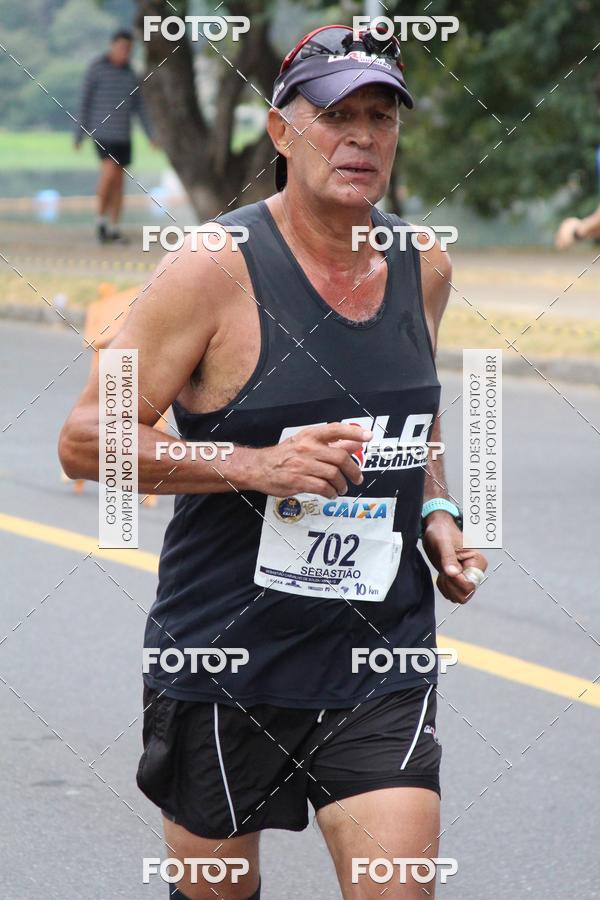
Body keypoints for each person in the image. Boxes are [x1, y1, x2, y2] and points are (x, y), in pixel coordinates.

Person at [59, 24, 487, 900]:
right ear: (282, 132)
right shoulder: (210, 269)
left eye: (381, 116)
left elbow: (417, 409)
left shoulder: (422, 263)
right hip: (224, 656)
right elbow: (84, 436)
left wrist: (438, 511)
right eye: (336, 115)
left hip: (380, 652)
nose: (362, 137)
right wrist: (258, 466)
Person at [74, 29, 155, 244]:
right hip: (102, 133)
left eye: (128, 49)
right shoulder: (96, 69)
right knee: (108, 175)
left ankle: (115, 227)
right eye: (121, 47)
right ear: (112, 45)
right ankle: (100, 221)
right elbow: (85, 102)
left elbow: (140, 108)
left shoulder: (131, 74)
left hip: (123, 135)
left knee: (119, 182)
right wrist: (79, 134)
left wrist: (151, 135)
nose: (124, 52)